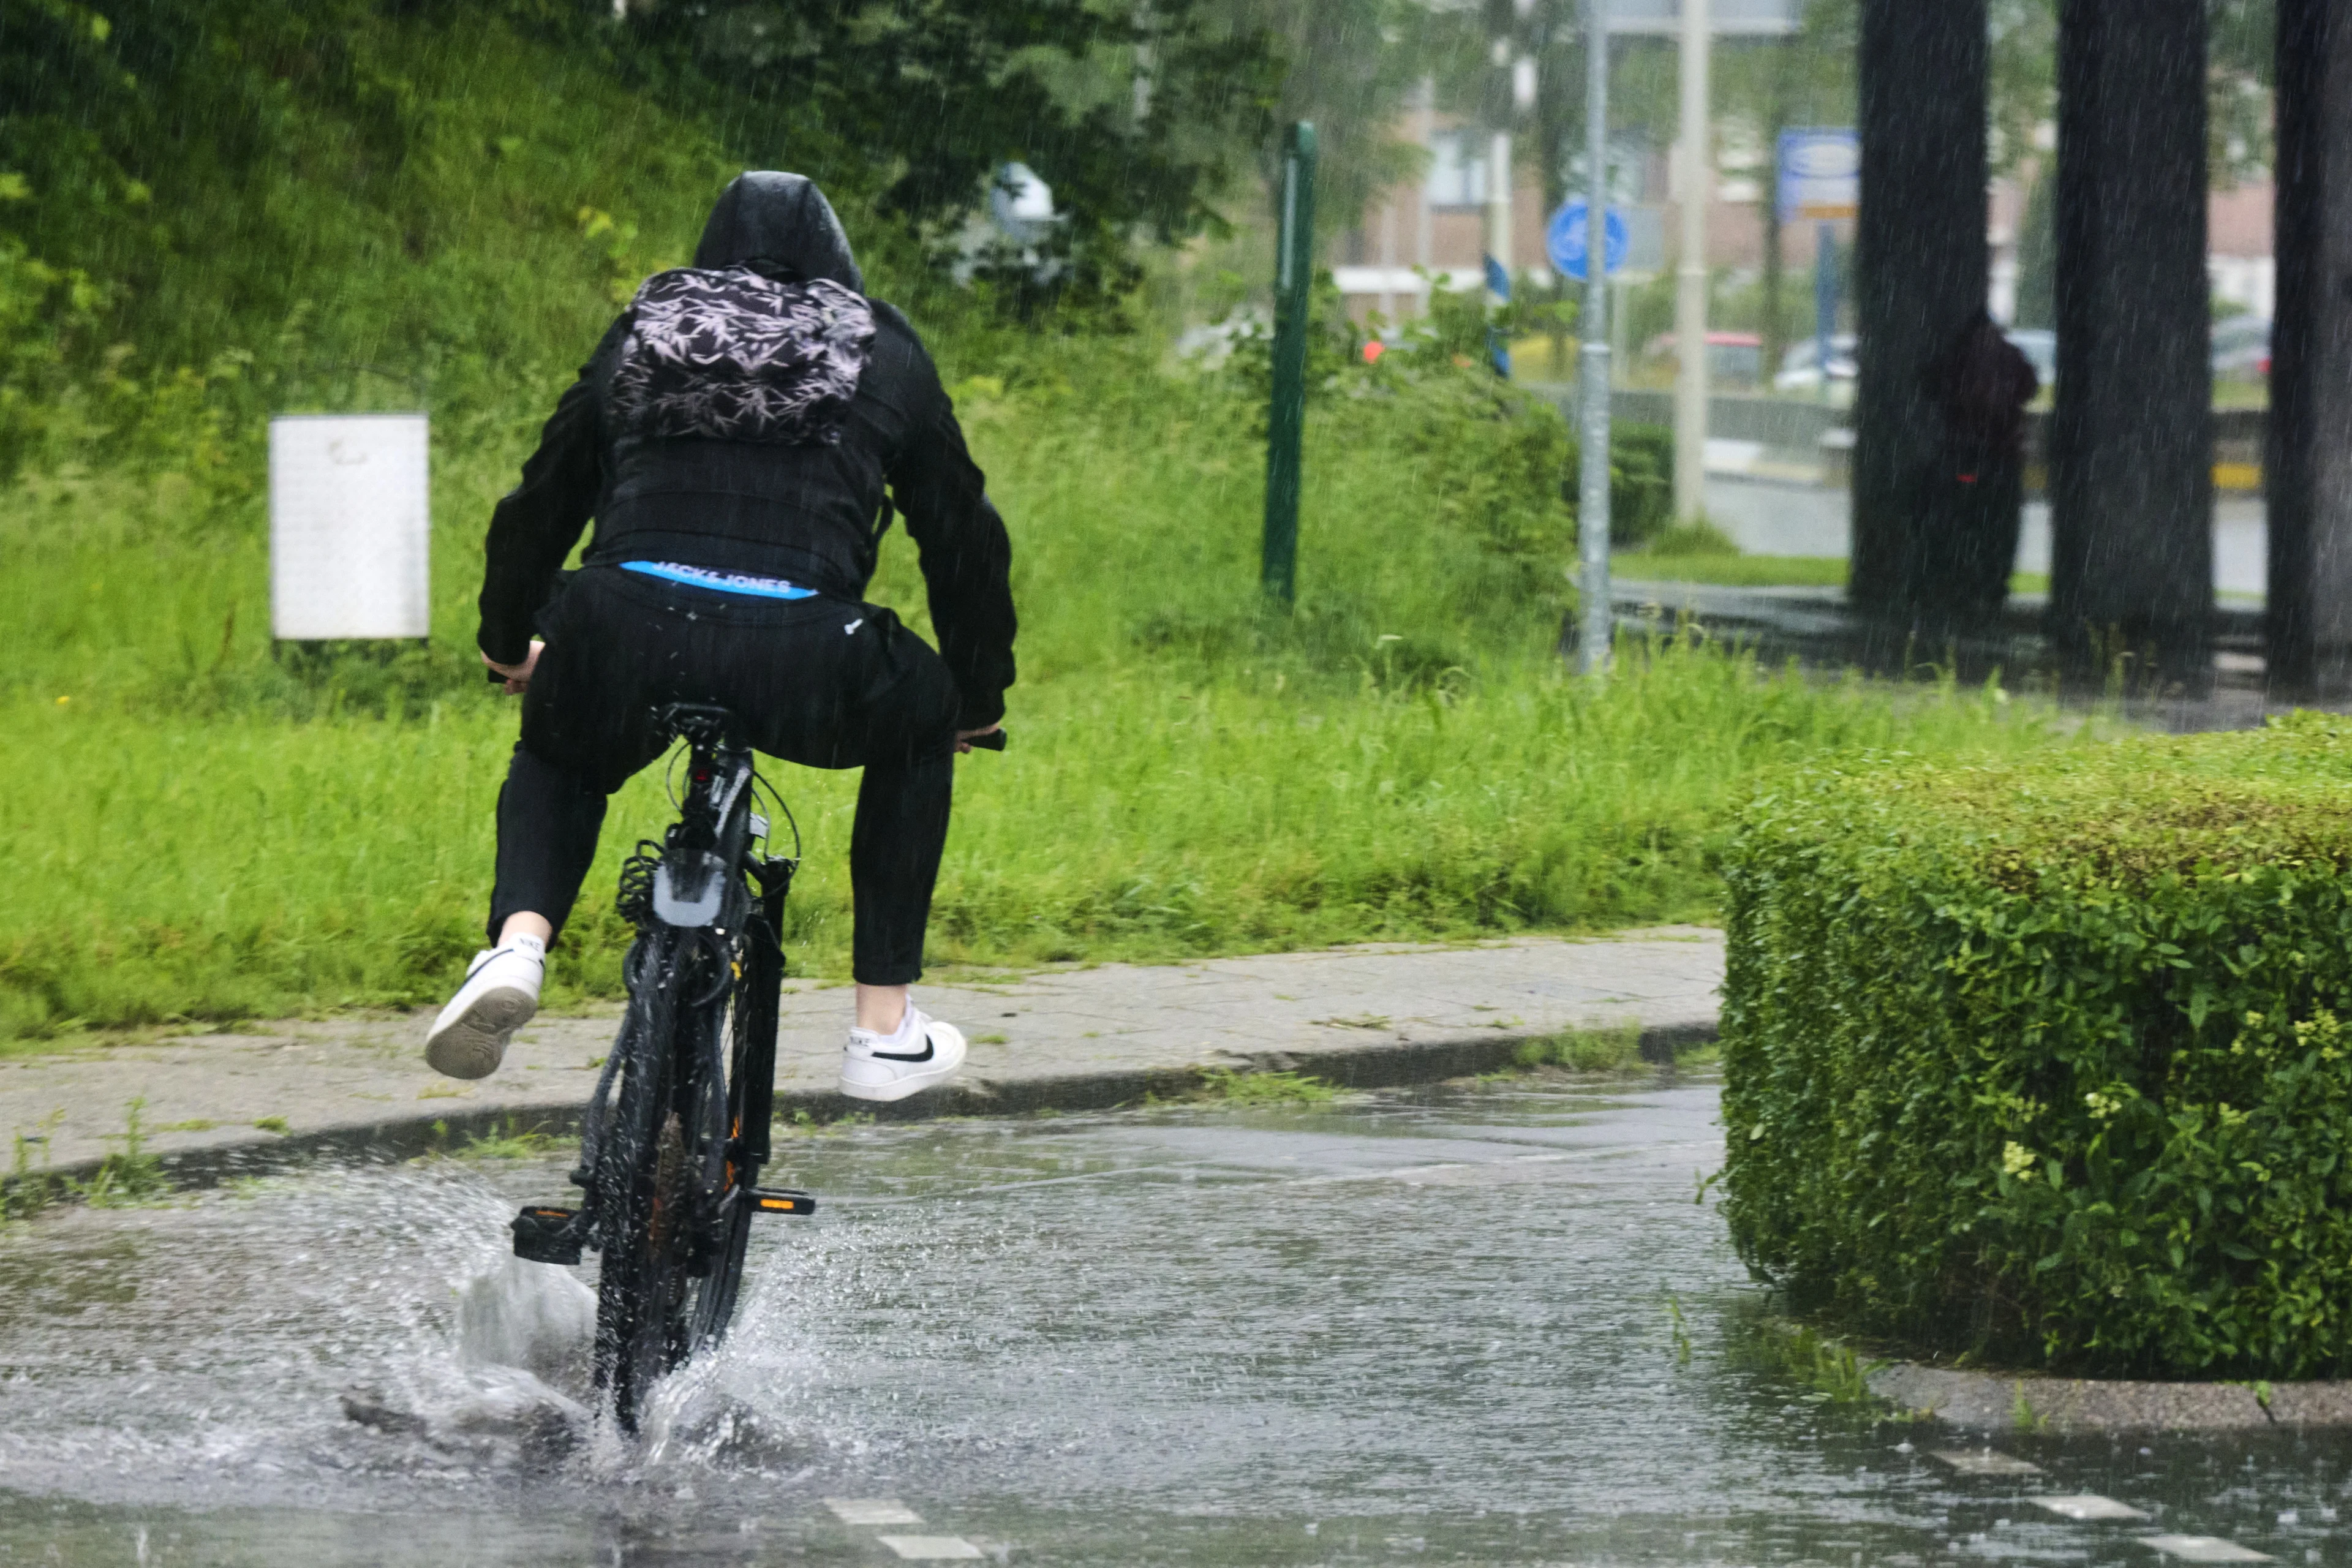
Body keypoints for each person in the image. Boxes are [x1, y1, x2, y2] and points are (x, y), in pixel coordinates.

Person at [423, 172, 1016, 1103]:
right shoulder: (880, 345)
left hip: (626, 625)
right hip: (807, 655)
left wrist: (512, 644)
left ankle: (516, 947)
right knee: (921, 715)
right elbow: (964, 542)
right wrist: (975, 703)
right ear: (839, 267)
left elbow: (540, 502)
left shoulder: (645, 331)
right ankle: (882, 1026)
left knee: (563, 749)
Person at [1920, 308, 2039, 624]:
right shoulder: (2012, 358)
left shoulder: (1958, 359)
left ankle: (1961, 582)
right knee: (1999, 524)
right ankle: (1993, 584)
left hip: (1965, 457)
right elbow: (2030, 388)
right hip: (2002, 458)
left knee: (1962, 518)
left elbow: (1930, 385)